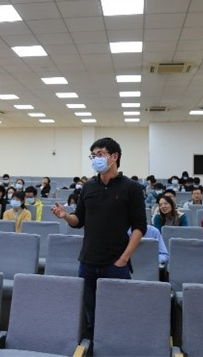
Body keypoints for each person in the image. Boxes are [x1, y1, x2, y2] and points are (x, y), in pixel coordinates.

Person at [51, 137, 147, 336]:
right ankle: (92, 347)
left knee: (117, 314)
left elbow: (140, 227)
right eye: (93, 155)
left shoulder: (132, 188)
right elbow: (78, 221)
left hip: (115, 263)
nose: (96, 159)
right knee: (90, 315)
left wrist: (124, 259)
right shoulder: (88, 187)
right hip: (87, 262)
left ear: (114, 156)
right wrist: (65, 216)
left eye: (100, 154)